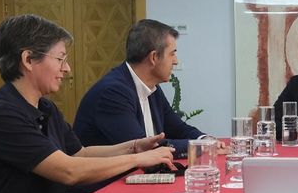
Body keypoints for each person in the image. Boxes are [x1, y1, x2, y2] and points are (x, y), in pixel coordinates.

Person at [0, 14, 175, 193]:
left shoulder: (45, 106)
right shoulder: (0, 113)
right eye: (61, 59)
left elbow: (79, 152)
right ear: (28, 60)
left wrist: (134, 147)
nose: (67, 68)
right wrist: (139, 160)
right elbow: (69, 170)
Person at [74, 19, 207, 155]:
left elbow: (177, 128)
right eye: (172, 54)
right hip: (109, 175)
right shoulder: (112, 93)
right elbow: (143, 148)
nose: (176, 61)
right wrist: (202, 145)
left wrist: (204, 139)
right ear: (154, 57)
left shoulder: (151, 86)